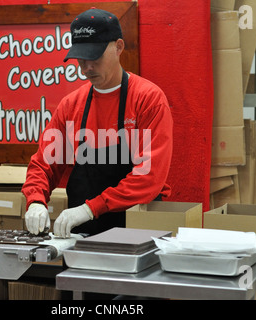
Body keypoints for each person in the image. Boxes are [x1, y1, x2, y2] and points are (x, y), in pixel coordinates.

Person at [22, 7, 173, 238]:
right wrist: (35, 200)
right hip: (83, 236)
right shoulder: (71, 105)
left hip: (136, 232)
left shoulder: (148, 100)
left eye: (95, 56)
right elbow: (44, 164)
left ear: (119, 47)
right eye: (81, 59)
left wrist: (90, 208)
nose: (87, 67)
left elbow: (149, 177)